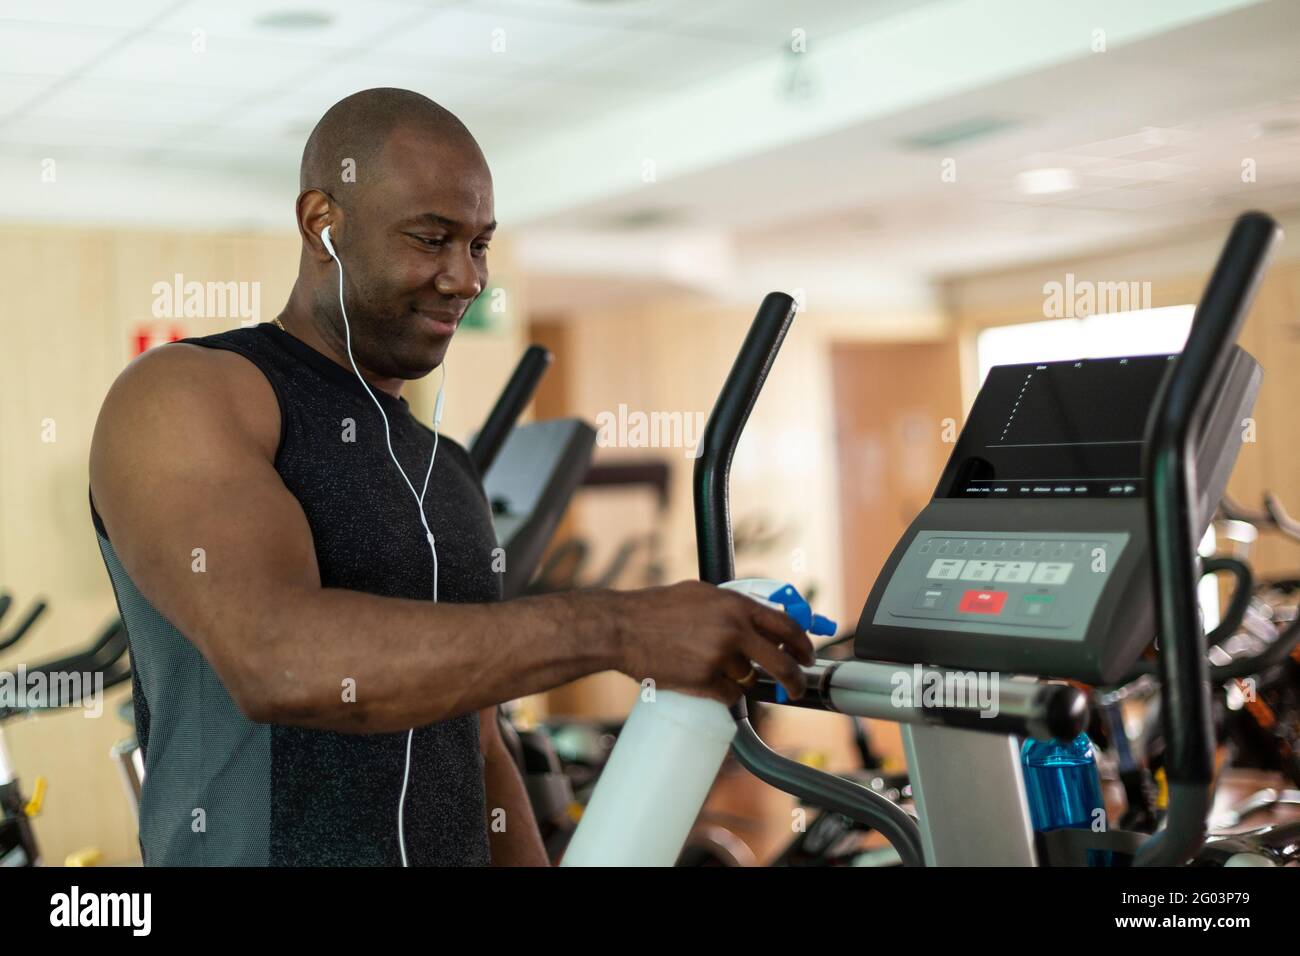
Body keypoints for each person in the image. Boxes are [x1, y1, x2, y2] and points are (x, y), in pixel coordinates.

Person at [88, 88, 813, 867]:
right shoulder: (189, 392)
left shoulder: (447, 466)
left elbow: (482, 744)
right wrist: (620, 628)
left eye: (479, 245)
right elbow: (278, 660)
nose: (465, 278)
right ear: (320, 223)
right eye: (432, 239)